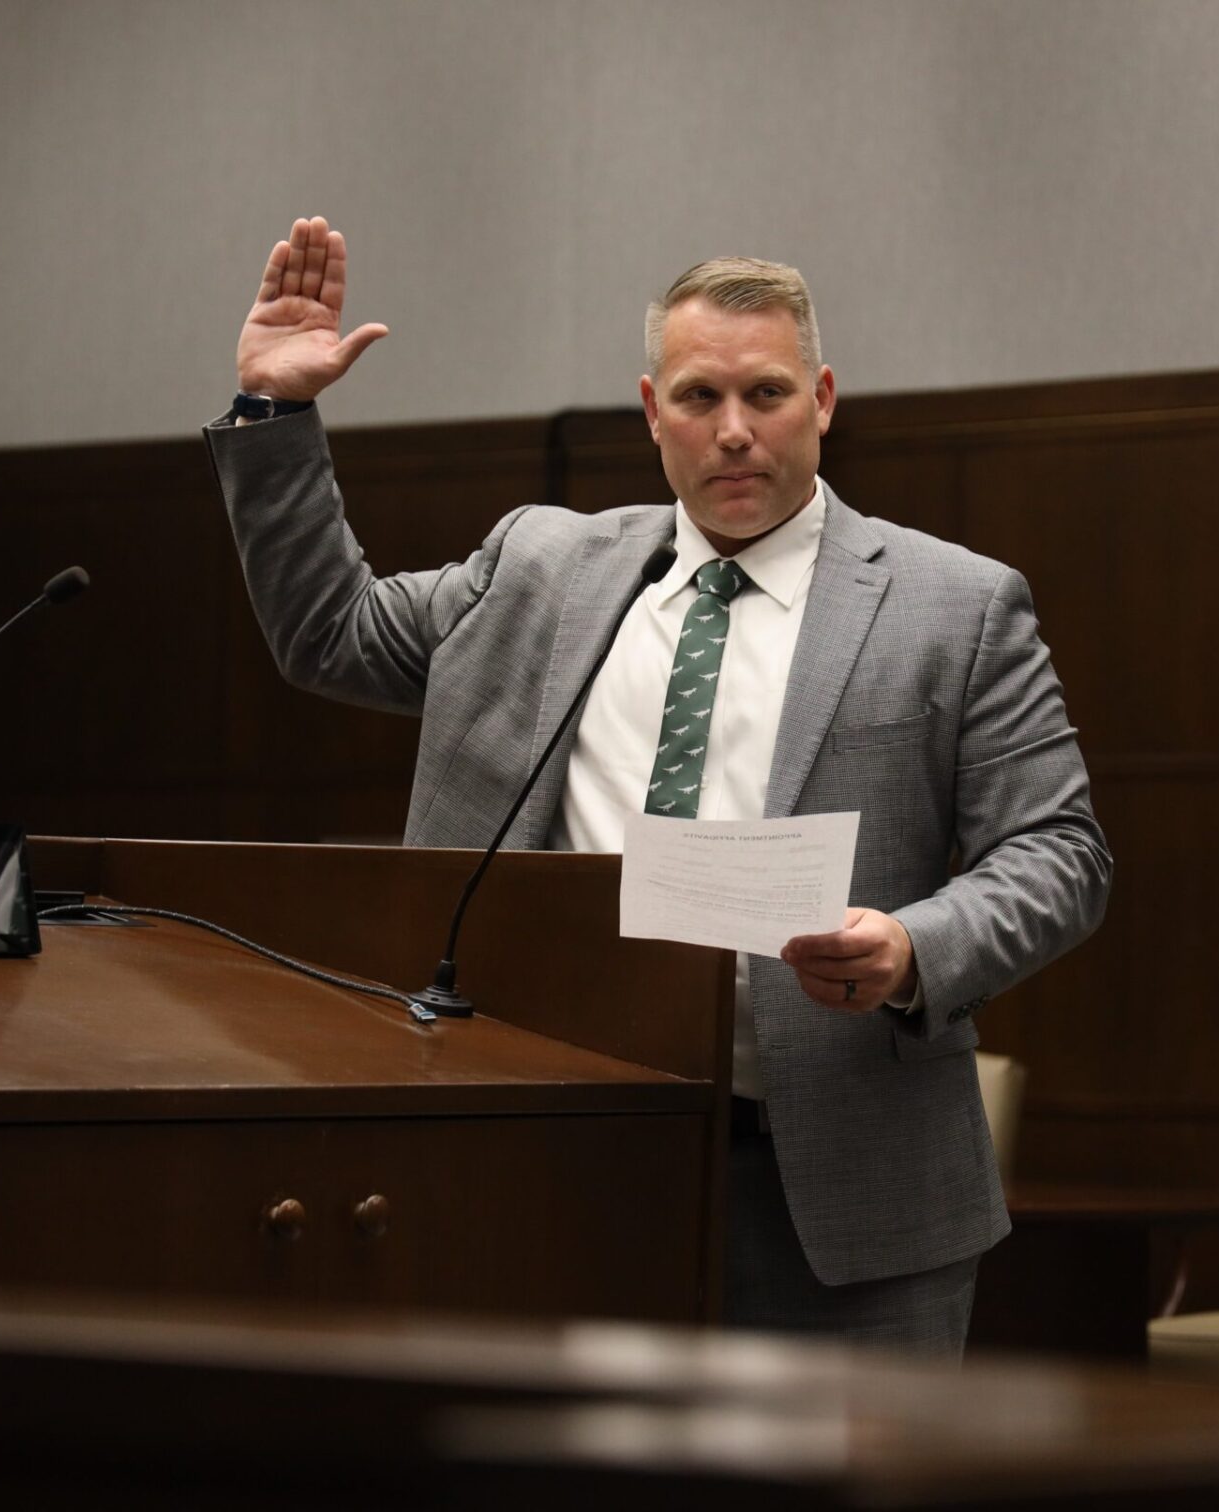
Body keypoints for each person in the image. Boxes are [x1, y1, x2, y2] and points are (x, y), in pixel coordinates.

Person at [203, 217, 1112, 1356]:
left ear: (823, 398)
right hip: (551, 1158)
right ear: (651, 411)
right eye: (697, 399)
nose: (734, 433)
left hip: (828, 1181)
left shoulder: (954, 607)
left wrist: (914, 948)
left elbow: (1061, 856)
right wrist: (277, 413)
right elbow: (329, 633)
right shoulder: (541, 568)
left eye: (767, 394)